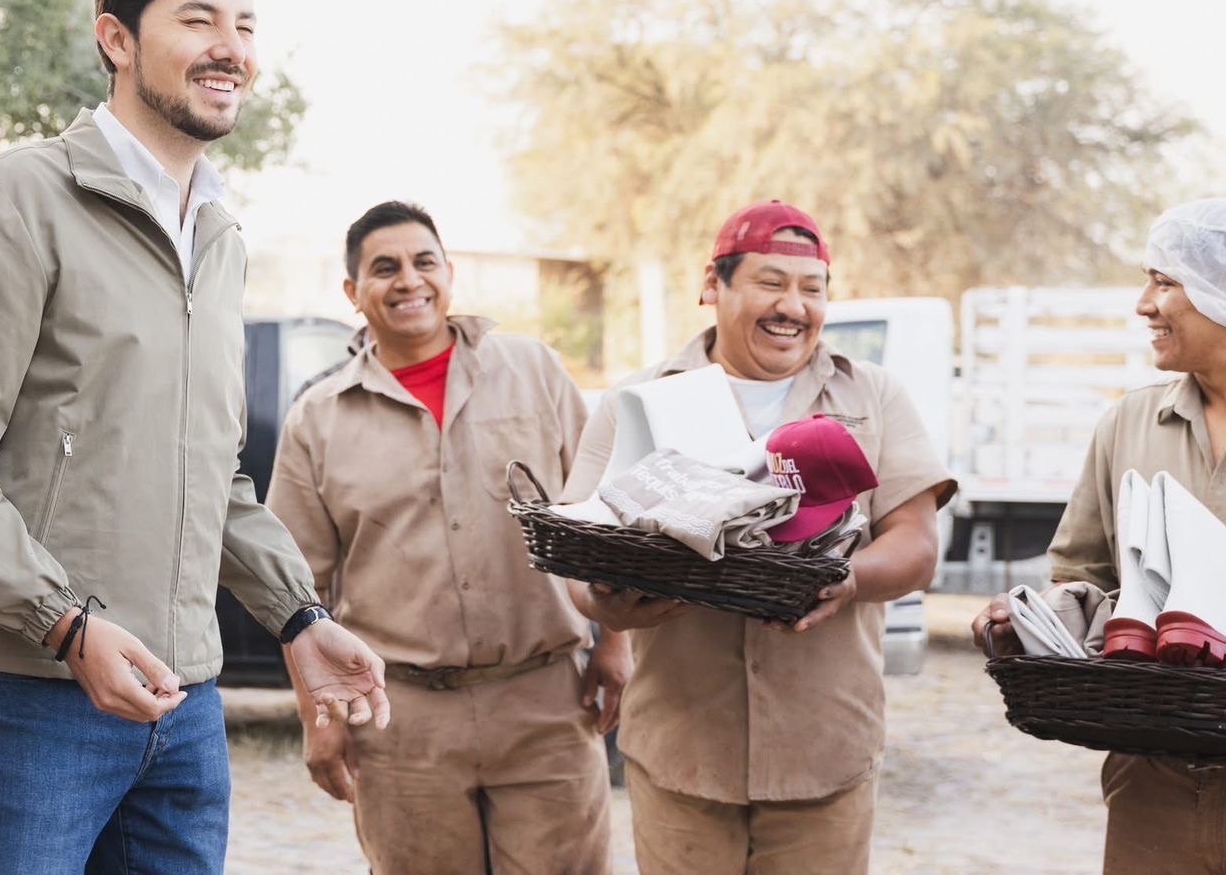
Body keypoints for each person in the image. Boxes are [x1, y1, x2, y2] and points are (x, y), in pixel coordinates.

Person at [0, 0, 389, 875]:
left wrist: (299, 621)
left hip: (185, 705)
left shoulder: (220, 234)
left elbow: (216, 478)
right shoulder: (19, 197)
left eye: (243, 23)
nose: (229, 48)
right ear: (117, 39)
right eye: (197, 20)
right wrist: (64, 624)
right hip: (26, 699)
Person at [562, 200, 955, 875]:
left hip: (825, 752)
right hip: (682, 751)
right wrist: (610, 606)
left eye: (812, 289)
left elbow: (917, 543)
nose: (793, 307)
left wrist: (850, 578)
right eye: (771, 283)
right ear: (713, 286)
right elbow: (577, 553)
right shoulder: (639, 400)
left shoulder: (876, 398)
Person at [266, 201, 624, 873]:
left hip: (546, 701)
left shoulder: (535, 372)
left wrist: (618, 645)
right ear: (353, 292)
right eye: (386, 268)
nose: (409, 281)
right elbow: (296, 588)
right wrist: (322, 716)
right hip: (400, 722)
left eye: (423, 262)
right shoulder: (318, 418)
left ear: (449, 273)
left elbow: (606, 517)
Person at [971, 199, 1226, 875]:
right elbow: (1081, 578)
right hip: (1156, 786)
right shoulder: (1128, 424)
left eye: (1165, 281)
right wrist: (1030, 621)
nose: (1144, 304)